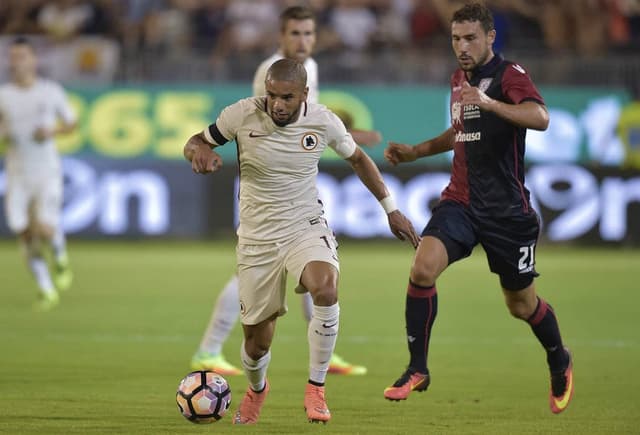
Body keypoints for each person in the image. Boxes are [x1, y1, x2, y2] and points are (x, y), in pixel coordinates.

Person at [184, 58, 419, 424]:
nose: (277, 104)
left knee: (325, 287)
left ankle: (316, 389)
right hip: (257, 239)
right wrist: (199, 152)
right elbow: (197, 141)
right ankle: (257, 389)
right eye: (272, 95)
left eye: (287, 97)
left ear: (304, 95)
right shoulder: (241, 114)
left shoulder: (323, 120)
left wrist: (391, 209)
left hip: (305, 225)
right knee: (256, 343)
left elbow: (358, 159)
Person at [382, 2, 574, 415]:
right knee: (422, 268)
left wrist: (490, 104)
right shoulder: (458, 79)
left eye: (470, 38)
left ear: (490, 37)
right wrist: (417, 151)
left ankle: (559, 358)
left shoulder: (510, 75)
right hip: (461, 202)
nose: (462, 47)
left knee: (521, 306)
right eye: (456, 39)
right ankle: (417, 368)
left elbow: (540, 117)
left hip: (507, 213)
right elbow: (460, 131)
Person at [191, 5, 380, 377]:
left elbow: (305, 122)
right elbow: (266, 124)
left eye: (309, 33)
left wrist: (345, 135)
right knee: (250, 277)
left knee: (314, 271)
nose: (303, 41)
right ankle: (209, 349)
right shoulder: (271, 70)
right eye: (295, 33)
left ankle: (324, 348)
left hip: (296, 185)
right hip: (265, 187)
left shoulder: (310, 70)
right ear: (281, 37)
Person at [0, 37, 76, 311]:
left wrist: (50, 132)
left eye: (22, 56)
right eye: (13, 56)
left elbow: (71, 123)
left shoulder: (50, 91)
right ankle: (46, 289)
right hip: (16, 172)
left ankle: (59, 254)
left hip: (46, 170)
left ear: (34, 60)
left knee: (44, 227)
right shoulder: (3, 95)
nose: (16, 62)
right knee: (24, 234)